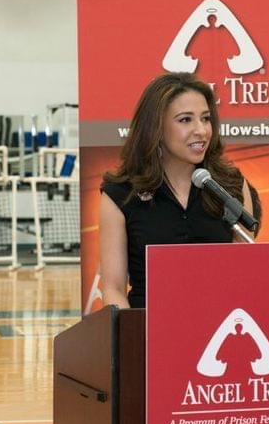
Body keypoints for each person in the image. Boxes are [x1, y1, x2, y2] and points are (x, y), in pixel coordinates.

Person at [99, 72, 256, 309]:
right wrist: (130, 338)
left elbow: (247, 276)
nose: (201, 130)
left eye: (205, 119)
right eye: (185, 120)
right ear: (156, 128)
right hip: (148, 327)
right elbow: (113, 289)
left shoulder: (230, 185)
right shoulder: (121, 193)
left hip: (221, 325)